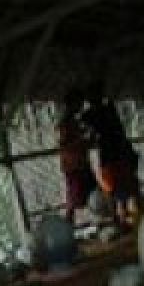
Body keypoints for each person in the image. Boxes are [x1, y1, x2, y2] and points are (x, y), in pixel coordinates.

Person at [81, 85, 142, 230]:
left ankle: (124, 220)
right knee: (124, 188)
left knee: (119, 190)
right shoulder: (108, 110)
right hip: (118, 155)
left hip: (113, 156)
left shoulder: (92, 115)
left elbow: (87, 131)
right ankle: (131, 219)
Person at [57, 89, 93, 223]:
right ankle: (67, 227)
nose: (81, 105)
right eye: (79, 102)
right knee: (74, 197)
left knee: (89, 193)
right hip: (74, 164)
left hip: (80, 162)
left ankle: (106, 218)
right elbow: (66, 144)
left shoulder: (73, 121)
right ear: (71, 103)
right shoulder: (65, 122)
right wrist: (83, 141)